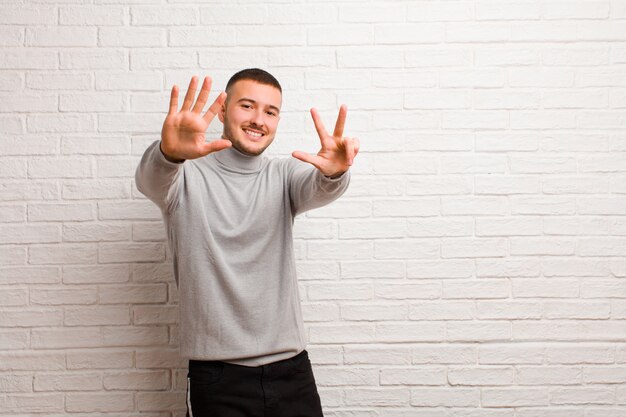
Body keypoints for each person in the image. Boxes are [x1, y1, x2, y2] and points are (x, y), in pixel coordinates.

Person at [135, 68, 359, 417]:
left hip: (292, 370)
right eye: (247, 106)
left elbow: (320, 187)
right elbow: (150, 180)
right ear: (223, 111)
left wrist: (335, 172)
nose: (258, 120)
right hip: (218, 377)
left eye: (270, 111)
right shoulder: (184, 176)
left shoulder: (283, 175)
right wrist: (169, 153)